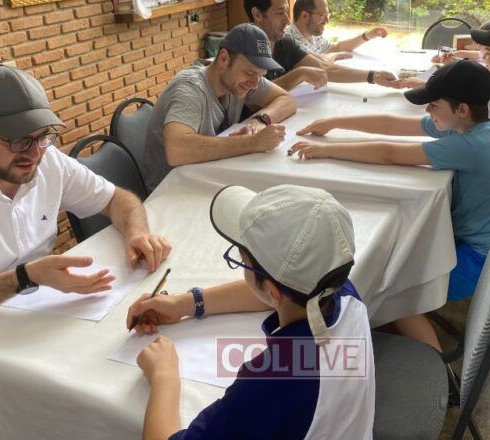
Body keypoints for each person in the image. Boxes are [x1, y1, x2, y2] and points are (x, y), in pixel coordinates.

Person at [0, 65, 171, 434]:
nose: (35, 153)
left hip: (36, 329)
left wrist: (136, 232)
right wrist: (23, 277)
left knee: (122, 384)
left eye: (43, 136)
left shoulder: (46, 161)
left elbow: (118, 199)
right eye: (18, 140)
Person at [289, 60, 490, 349]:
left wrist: (327, 150)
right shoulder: (469, 127)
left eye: (434, 105)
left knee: (396, 295)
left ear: (462, 109)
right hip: (486, 243)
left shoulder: (470, 145)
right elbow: (391, 124)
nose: (427, 110)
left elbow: (390, 153)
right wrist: (334, 122)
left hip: (481, 260)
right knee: (396, 262)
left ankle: (435, 365)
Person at [128, 184, 375, 440]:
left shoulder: (270, 384)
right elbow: (282, 293)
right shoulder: (340, 290)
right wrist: (188, 303)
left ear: (271, 291)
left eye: (243, 262)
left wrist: (164, 375)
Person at [142, 23, 297, 191]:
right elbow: (177, 150)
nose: (254, 84)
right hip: (172, 192)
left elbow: (286, 100)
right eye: (249, 73)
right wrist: (253, 142)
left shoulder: (237, 78)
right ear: (224, 58)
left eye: (260, 75)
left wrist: (261, 120)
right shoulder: (189, 89)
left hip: (208, 177)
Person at [394, 17, 490, 192]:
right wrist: (455, 63)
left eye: (486, 53)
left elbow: (463, 93)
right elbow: (475, 68)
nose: (482, 57)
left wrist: (424, 84)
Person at [243, 0, 397, 92]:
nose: (288, 20)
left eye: (286, 12)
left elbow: (324, 68)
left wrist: (373, 76)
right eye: (279, 13)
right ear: (257, 14)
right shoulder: (243, 48)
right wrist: (300, 74)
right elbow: (256, 98)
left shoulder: (285, 42)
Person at [287, 0, 388, 60]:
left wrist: (368, 35)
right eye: (322, 15)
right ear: (304, 16)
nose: (327, 21)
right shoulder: (289, 41)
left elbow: (337, 48)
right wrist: (372, 76)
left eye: (328, 15)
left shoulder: (312, 35)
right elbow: (319, 62)